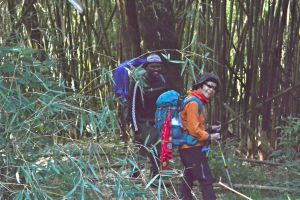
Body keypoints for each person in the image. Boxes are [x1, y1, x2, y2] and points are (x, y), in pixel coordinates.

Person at [179, 72, 221, 200]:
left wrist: (209, 129)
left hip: (187, 146)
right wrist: (209, 137)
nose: (211, 90)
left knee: (189, 176)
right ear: (200, 85)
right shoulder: (194, 103)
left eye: (214, 88)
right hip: (192, 148)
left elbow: (192, 125)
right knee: (206, 179)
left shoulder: (196, 100)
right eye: (209, 86)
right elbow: (193, 130)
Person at [128, 53, 167, 179]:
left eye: (158, 67)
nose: (156, 69)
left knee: (157, 151)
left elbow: (164, 102)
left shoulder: (162, 80)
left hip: (157, 122)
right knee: (142, 151)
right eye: (153, 67)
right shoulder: (138, 82)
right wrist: (136, 129)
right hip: (143, 122)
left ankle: (156, 178)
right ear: (146, 67)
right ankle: (134, 178)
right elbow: (132, 106)